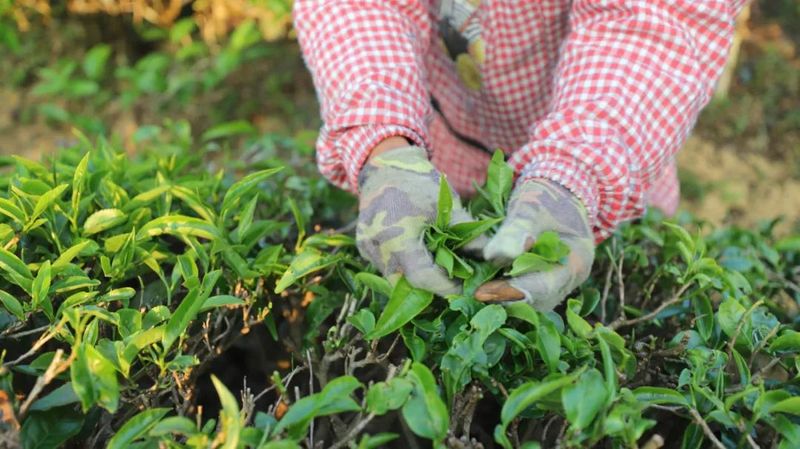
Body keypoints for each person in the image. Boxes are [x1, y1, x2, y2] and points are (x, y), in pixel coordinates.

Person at [293, 0, 747, 311]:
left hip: (604, 163)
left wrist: (576, 172)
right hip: (436, 155)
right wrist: (385, 148)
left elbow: (651, 22)